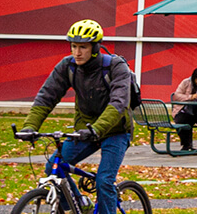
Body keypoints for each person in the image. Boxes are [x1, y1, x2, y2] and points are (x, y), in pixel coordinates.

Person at [18, 20, 135, 214]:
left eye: (83, 47)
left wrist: (96, 129)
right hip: (84, 132)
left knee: (104, 181)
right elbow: (47, 96)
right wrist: (30, 126)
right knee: (53, 167)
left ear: (95, 48)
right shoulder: (68, 66)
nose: (77, 52)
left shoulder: (116, 67)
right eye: (73, 46)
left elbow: (118, 104)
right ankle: (79, 204)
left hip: (116, 132)